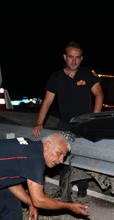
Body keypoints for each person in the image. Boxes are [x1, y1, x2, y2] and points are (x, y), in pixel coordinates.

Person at [32, 41, 104, 198]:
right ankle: (64, 189)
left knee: (84, 155)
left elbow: (99, 94)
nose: (74, 61)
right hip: (65, 123)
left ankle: (82, 186)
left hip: (85, 124)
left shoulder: (87, 74)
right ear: (65, 57)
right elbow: (47, 101)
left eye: (77, 57)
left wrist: (94, 117)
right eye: (71, 57)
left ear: (81, 58)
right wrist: (39, 123)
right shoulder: (56, 77)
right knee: (62, 155)